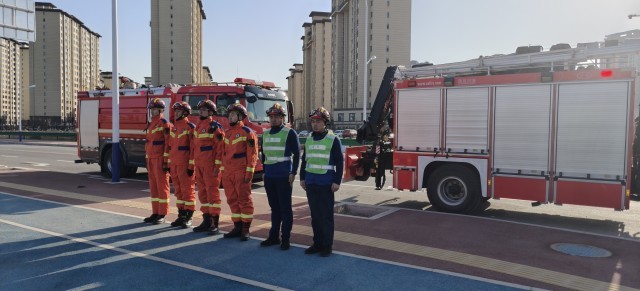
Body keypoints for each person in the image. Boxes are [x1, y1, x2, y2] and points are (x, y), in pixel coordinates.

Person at [300, 107, 343, 257]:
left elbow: (340, 161)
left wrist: (337, 181)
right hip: (311, 182)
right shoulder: (309, 138)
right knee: (315, 216)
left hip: (326, 183)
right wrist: (302, 178)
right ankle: (317, 243)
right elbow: (305, 160)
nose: (315, 124)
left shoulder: (333, 139)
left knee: (326, 217)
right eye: (313, 121)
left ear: (325, 122)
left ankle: (327, 246)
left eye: (318, 121)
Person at [259, 103, 300, 250]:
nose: (274, 119)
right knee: (274, 208)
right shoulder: (265, 134)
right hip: (269, 176)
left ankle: (285, 239)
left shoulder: (289, 133)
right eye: (271, 117)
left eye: (277, 117)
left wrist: (293, 172)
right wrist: (264, 171)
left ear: (282, 118)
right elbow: (264, 155)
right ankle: (273, 236)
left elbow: (297, 155)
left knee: (285, 209)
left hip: (284, 176)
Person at [222, 103, 258, 241]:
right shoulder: (227, 133)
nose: (230, 117)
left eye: (233, 114)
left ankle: (245, 229)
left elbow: (252, 155)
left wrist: (249, 172)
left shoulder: (248, 132)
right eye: (229, 114)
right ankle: (237, 226)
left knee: (244, 200)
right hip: (228, 173)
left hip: (241, 172)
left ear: (240, 116)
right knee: (232, 199)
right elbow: (223, 154)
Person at [192, 100, 225, 234]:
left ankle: (214, 223)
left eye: (204, 110)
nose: (200, 112)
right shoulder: (198, 127)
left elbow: (220, 149)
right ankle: (206, 220)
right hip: (199, 166)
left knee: (213, 194)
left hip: (211, 167)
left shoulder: (215, 127)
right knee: (203, 194)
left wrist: (217, 166)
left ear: (210, 112)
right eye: (200, 110)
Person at [168, 102, 197, 228]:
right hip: (175, 165)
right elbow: (171, 148)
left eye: (179, 111)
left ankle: (189, 217)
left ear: (185, 112)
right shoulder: (174, 127)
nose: (176, 113)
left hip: (185, 166)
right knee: (178, 192)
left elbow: (193, 149)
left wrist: (191, 166)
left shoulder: (190, 127)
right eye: (176, 111)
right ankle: (181, 215)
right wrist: (169, 164)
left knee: (188, 191)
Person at [143, 98, 171, 224]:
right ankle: (155, 212)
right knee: (154, 188)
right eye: (151, 109)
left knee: (162, 187)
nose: (152, 111)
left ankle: (162, 214)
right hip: (151, 159)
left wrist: (166, 161)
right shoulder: (151, 123)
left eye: (154, 109)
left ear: (160, 110)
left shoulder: (164, 123)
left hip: (159, 160)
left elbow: (168, 144)